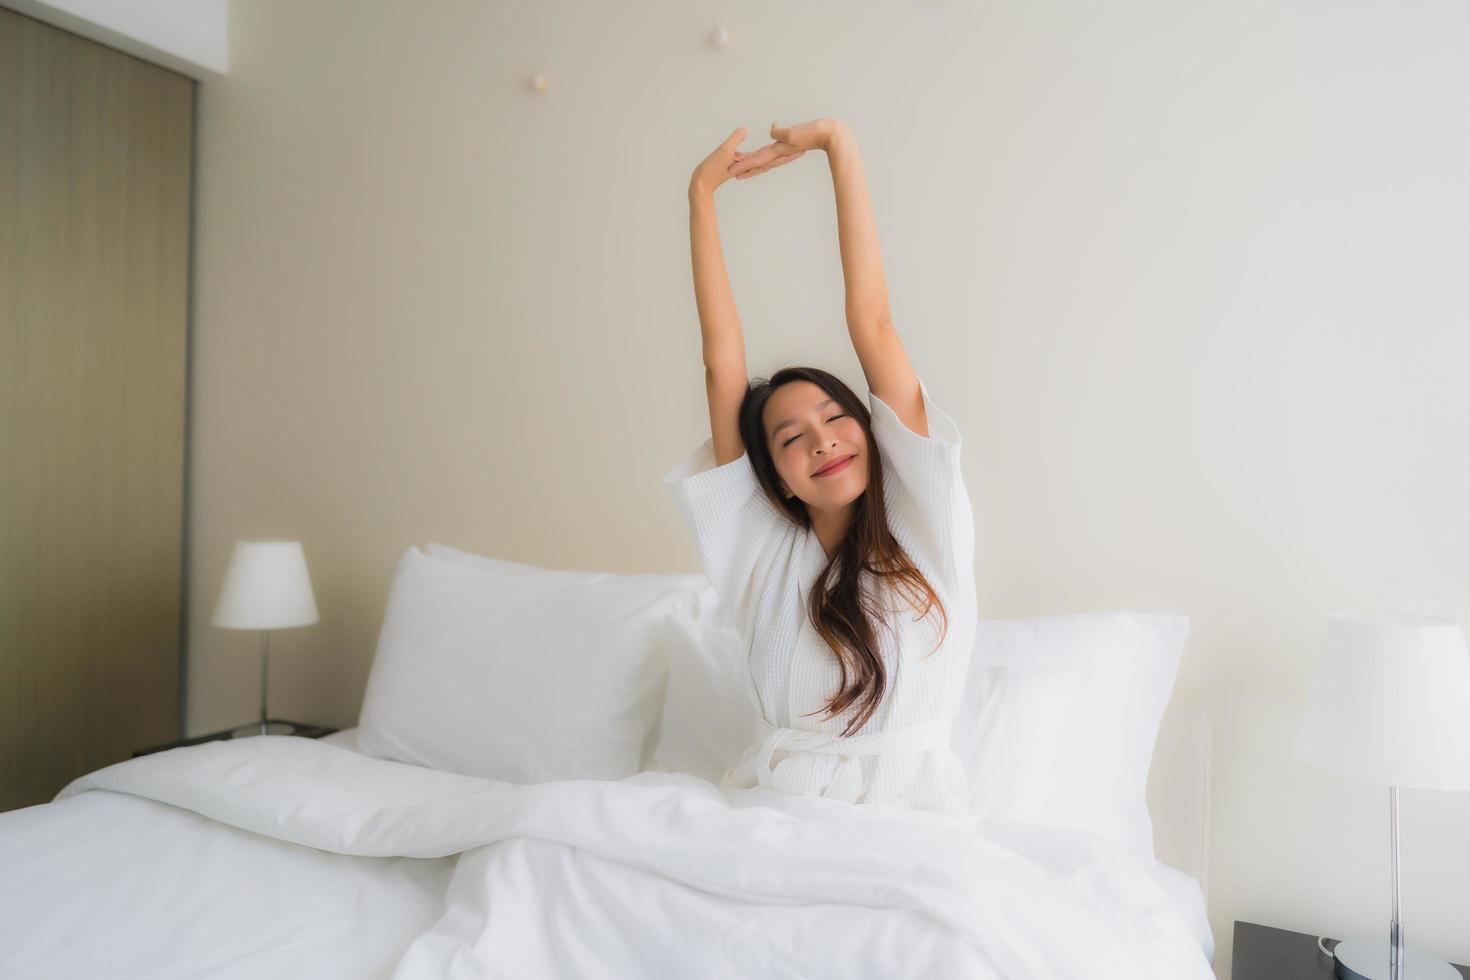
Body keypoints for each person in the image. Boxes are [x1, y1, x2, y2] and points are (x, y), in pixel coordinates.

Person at [664, 118, 978, 815]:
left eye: (837, 418)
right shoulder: (760, 550)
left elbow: (874, 324)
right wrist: (700, 196)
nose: (823, 441)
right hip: (775, 815)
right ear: (772, 475)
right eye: (791, 438)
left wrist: (839, 145)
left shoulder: (925, 524)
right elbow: (722, 365)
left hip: (913, 824)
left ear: (870, 430)